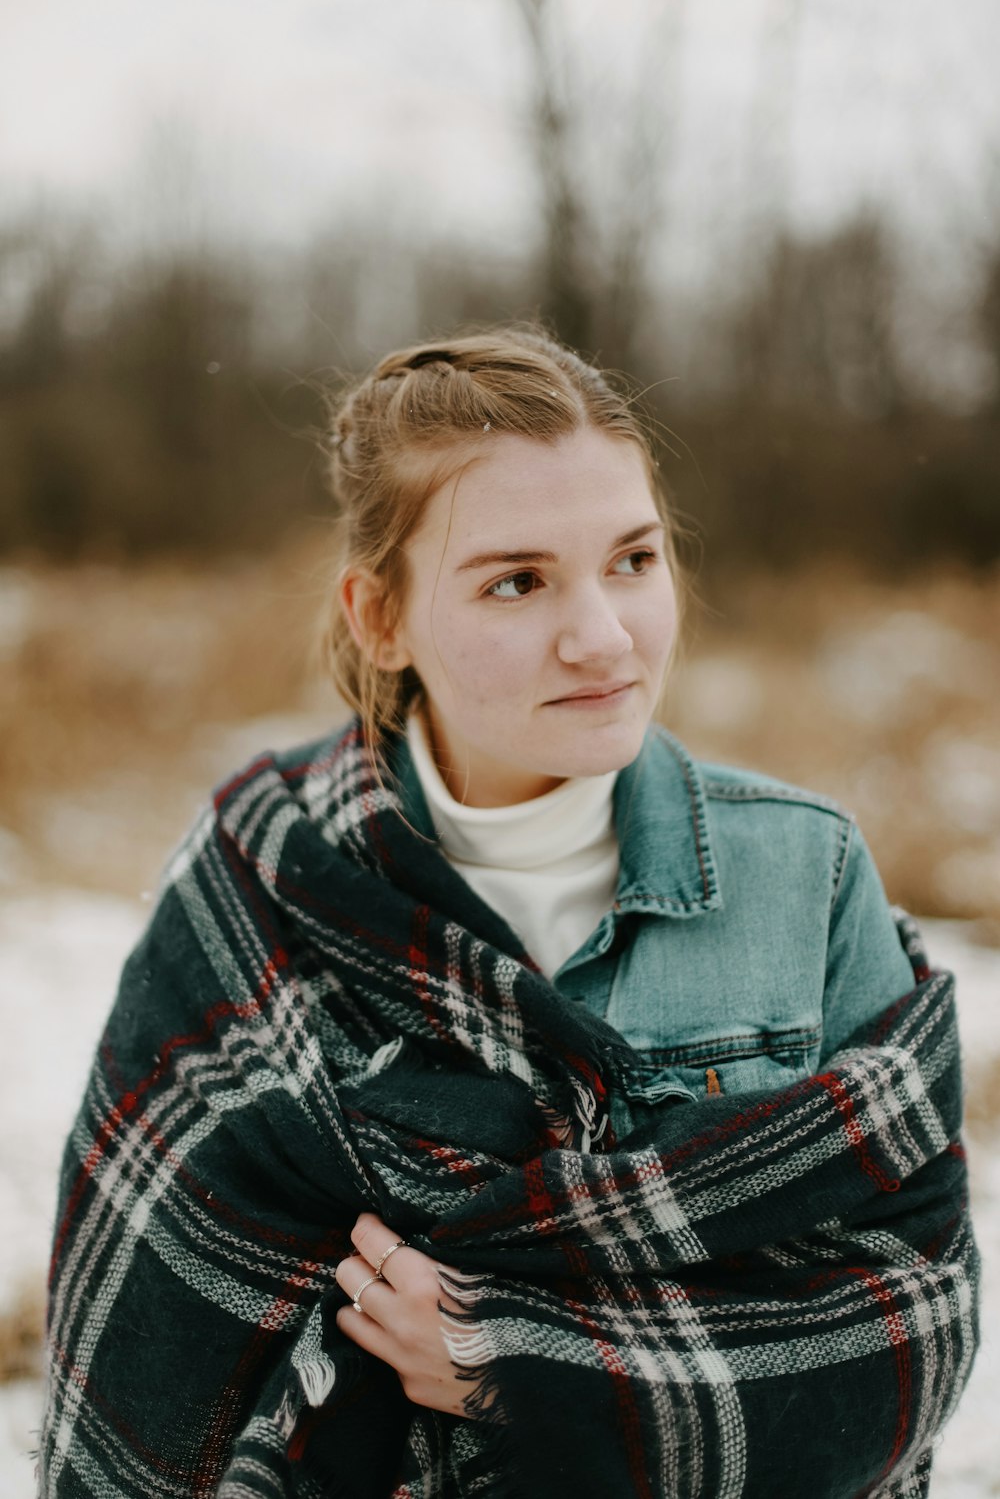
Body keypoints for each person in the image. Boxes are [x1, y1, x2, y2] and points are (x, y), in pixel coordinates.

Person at [39, 326, 978, 1498]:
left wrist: (516, 1356)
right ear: (380, 617)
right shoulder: (260, 875)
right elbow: (143, 1331)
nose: (601, 636)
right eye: (517, 581)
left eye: (632, 560)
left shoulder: (804, 871)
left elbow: (912, 1317)